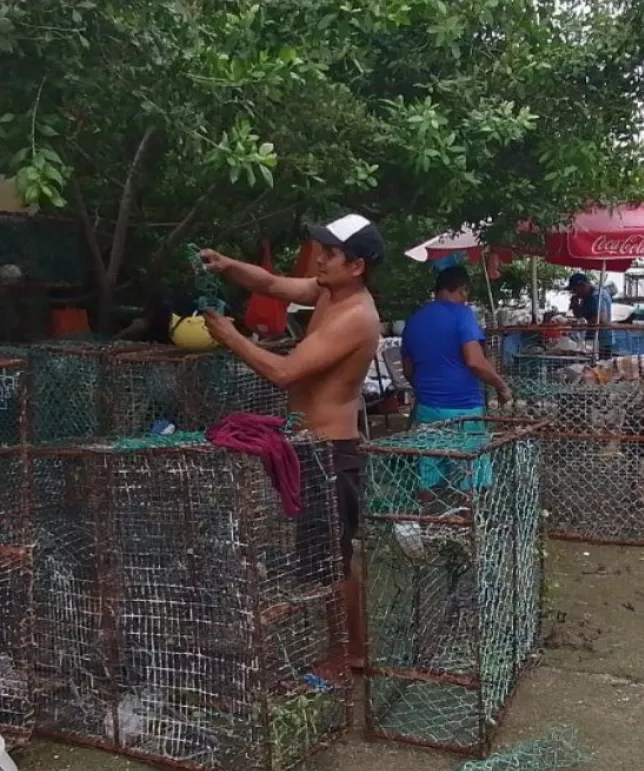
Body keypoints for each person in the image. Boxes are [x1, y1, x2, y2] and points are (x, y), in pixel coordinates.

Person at [199, 213, 383, 666]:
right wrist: (227, 265)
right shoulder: (328, 291)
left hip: (331, 452)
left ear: (356, 265)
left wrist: (229, 335)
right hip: (310, 449)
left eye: (330, 252)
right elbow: (275, 285)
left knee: (333, 564)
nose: (319, 258)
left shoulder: (356, 315)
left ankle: (348, 655)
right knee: (324, 558)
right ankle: (342, 648)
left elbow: (284, 372)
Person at [400, 266, 512, 496]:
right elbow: (475, 361)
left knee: (428, 476)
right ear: (462, 290)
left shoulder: (414, 321)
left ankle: (426, 525)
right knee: (470, 479)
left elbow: (408, 370)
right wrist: (502, 386)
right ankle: (466, 521)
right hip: (464, 410)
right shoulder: (462, 315)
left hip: (427, 410)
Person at [568, 355, 644, 520]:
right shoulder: (599, 391)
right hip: (638, 410)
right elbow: (611, 415)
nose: (584, 386)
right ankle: (638, 496)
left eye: (583, 380)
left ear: (588, 371)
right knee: (632, 449)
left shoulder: (617, 365)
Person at [567, 272, 613, 358]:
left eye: (575, 290)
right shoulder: (587, 297)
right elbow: (579, 316)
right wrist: (575, 305)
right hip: (591, 339)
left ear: (583, 285)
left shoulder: (597, 296)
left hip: (601, 341)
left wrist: (581, 325)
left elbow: (601, 320)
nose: (575, 293)